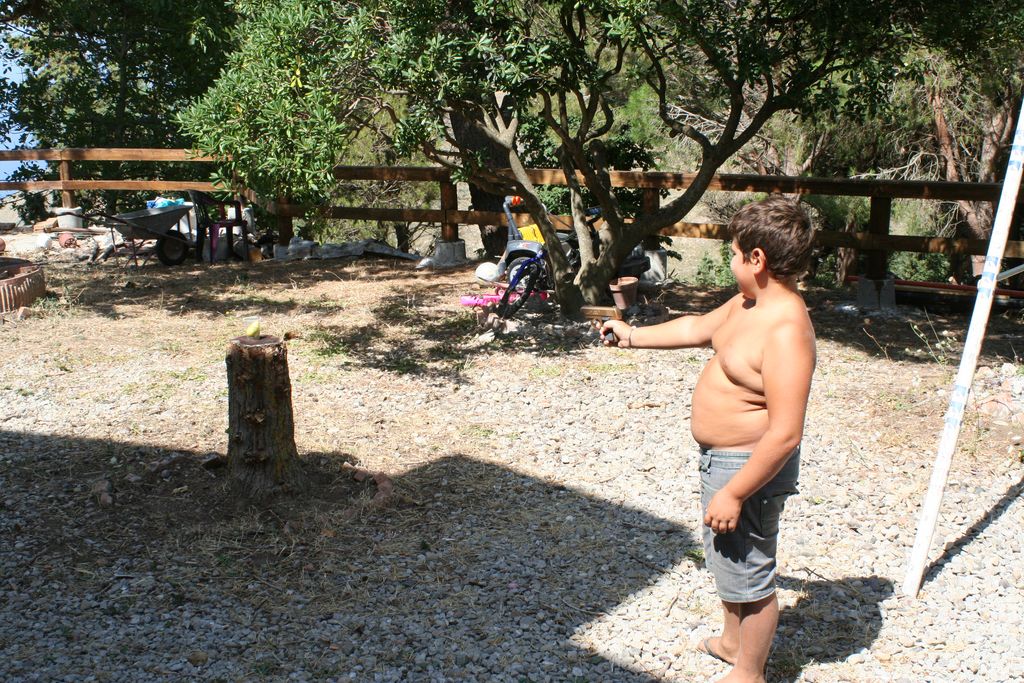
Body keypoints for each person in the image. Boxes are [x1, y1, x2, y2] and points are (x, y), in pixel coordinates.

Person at [601, 196, 816, 683]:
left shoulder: (786, 331)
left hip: (749, 467)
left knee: (751, 571)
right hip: (721, 460)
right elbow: (698, 328)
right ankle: (732, 642)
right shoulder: (747, 304)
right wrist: (632, 336)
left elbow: (785, 433)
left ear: (757, 259)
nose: (731, 262)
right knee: (726, 555)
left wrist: (736, 491)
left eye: (734, 254)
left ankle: (749, 673)